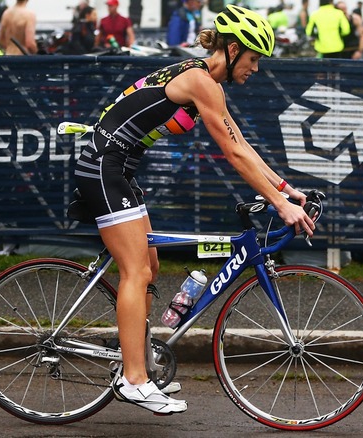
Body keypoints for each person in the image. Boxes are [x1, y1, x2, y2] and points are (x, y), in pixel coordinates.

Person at [73, 4, 315, 415]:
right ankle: (134, 379)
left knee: (150, 267)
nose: (255, 69)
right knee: (134, 271)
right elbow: (233, 154)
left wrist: (284, 188)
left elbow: (241, 143)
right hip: (104, 167)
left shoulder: (204, 78)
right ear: (235, 49)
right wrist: (279, 204)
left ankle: (138, 362)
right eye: (254, 59)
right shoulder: (202, 81)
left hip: (119, 168)